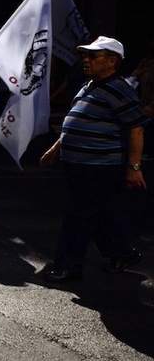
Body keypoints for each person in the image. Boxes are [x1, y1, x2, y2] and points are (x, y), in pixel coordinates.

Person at [39, 36, 148, 282]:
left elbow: (136, 129)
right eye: (84, 56)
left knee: (79, 215)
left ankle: (68, 266)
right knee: (97, 212)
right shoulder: (90, 85)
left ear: (112, 61)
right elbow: (76, 118)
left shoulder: (120, 89)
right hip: (80, 163)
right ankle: (123, 253)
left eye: (92, 56)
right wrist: (57, 147)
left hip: (100, 166)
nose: (85, 60)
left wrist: (134, 167)